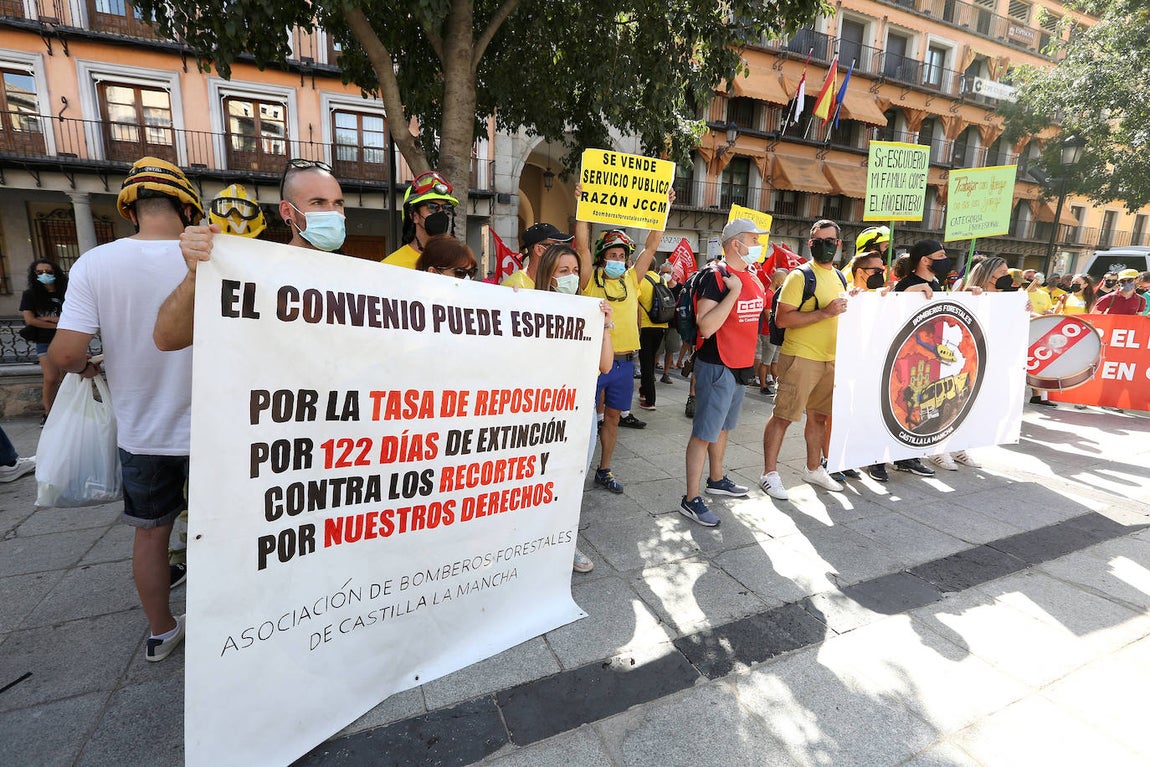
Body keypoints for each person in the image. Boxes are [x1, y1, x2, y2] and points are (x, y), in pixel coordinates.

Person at [49, 156, 201, 663]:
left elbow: (65, 355)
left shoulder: (95, 263)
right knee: (225, 530)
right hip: (215, 429)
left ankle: (161, 632)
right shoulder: (209, 254)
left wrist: (91, 366)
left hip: (143, 432)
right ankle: (229, 629)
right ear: (186, 208)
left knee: (151, 534)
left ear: (131, 211)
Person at [155, 159, 348, 350]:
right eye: (318, 203)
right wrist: (194, 275)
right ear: (287, 211)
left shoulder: (357, 278)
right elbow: (168, 339)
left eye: (338, 203)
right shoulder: (253, 274)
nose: (333, 212)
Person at [531, 242, 615, 571]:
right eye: (563, 271)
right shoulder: (532, 308)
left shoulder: (589, 310)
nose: (571, 276)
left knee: (571, 484)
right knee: (539, 482)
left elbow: (605, 365)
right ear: (548, 275)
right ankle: (529, 542)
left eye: (575, 270)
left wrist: (604, 324)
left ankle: (565, 544)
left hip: (581, 414)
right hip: (542, 415)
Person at [679, 219, 766, 526]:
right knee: (704, 433)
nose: (758, 245)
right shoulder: (717, 276)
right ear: (735, 244)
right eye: (753, 240)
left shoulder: (750, 275)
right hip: (717, 364)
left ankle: (716, 479)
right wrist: (733, 293)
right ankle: (690, 499)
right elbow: (706, 325)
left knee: (723, 427)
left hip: (740, 364)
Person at [576, 211, 667, 493]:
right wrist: (582, 210)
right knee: (582, 420)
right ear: (602, 257)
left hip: (625, 364)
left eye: (621, 256)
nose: (616, 260)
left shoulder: (631, 279)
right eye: (611, 255)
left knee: (613, 418)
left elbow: (651, 246)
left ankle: (604, 469)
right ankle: (573, 473)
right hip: (593, 363)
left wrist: (662, 211)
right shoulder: (590, 279)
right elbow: (582, 247)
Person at [759, 219, 850, 501]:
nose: (825, 246)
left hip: (830, 359)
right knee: (783, 416)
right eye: (818, 241)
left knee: (819, 417)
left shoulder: (840, 277)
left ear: (838, 244)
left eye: (830, 241)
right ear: (810, 244)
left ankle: (813, 469)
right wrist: (824, 313)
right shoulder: (800, 277)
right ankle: (769, 474)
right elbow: (782, 319)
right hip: (800, 356)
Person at [20, 259, 67, 420]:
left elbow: (73, 315)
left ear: (56, 273)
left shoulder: (67, 292)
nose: (44, 275)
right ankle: (49, 413)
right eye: (39, 272)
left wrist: (48, 319)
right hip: (44, 340)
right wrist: (58, 323)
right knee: (51, 378)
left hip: (66, 339)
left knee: (69, 378)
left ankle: (71, 411)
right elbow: (30, 320)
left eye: (48, 271)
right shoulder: (30, 295)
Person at [382, 170, 458, 269]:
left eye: (446, 208)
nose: (441, 213)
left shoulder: (457, 264)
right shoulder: (391, 266)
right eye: (432, 207)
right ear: (414, 216)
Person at [636, 260, 669, 410]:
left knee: (646, 364)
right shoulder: (662, 280)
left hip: (645, 326)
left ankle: (650, 400)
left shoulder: (640, 281)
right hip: (661, 325)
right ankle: (644, 390)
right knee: (650, 361)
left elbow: (636, 304)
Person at [501, 223, 574, 289]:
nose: (561, 251)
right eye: (557, 246)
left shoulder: (558, 284)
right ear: (539, 249)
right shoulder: (515, 285)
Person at [657, 262, 682, 384]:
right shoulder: (658, 286)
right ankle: (652, 371)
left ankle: (666, 373)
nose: (665, 275)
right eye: (663, 272)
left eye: (668, 272)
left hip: (673, 324)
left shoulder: (679, 288)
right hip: (659, 322)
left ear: (672, 273)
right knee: (657, 349)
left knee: (670, 349)